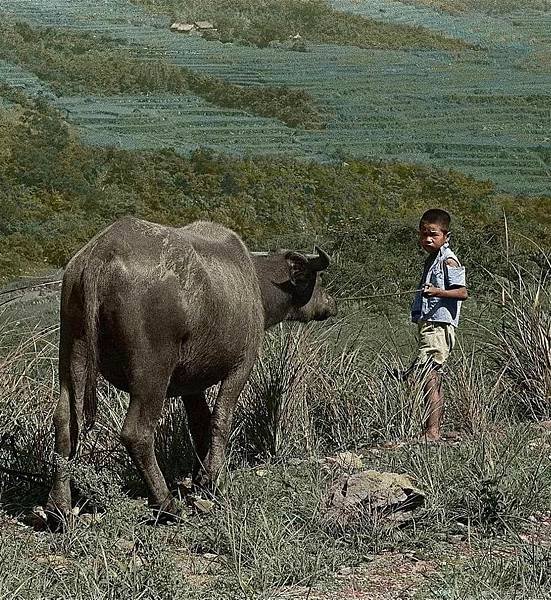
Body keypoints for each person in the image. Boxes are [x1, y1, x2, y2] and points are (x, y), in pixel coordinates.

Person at [410, 209, 468, 441]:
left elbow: (462, 292)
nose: (427, 239)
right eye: (423, 234)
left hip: (439, 324)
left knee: (429, 374)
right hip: (430, 323)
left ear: (446, 235)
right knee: (431, 374)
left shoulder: (448, 259)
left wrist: (437, 291)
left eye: (433, 234)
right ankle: (433, 429)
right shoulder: (432, 260)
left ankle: (431, 431)